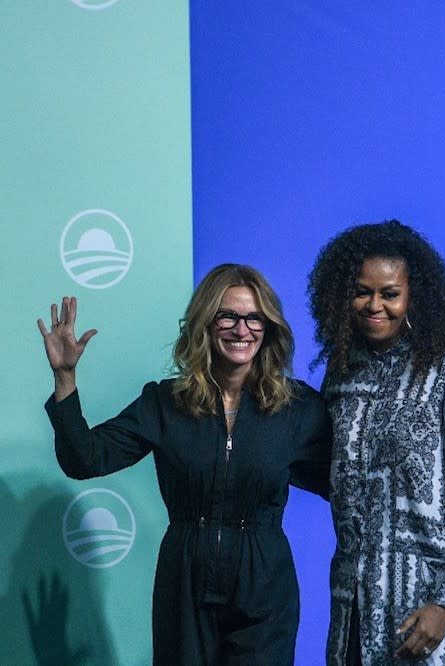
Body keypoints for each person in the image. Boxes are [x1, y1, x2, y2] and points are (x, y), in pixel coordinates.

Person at [38, 264, 331, 665]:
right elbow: (84, 459)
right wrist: (65, 378)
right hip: (185, 583)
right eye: (227, 315)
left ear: (269, 327)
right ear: (205, 324)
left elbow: (345, 483)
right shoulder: (165, 402)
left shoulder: (296, 408)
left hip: (264, 585)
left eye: (254, 318)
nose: (241, 329)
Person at [308, 220, 445, 665]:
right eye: (362, 291)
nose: (374, 305)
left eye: (389, 293)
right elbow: (335, 475)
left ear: (413, 297)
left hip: (443, 611)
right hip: (360, 607)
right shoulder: (341, 375)